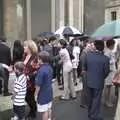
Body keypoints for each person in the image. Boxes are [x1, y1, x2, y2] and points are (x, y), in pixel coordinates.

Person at [84, 40, 110, 120]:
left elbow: (85, 67)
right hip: (99, 81)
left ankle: (90, 114)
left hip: (89, 80)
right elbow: (106, 72)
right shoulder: (105, 58)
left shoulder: (88, 55)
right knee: (96, 99)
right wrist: (102, 77)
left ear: (95, 46)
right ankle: (93, 116)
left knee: (90, 99)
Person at [24, 40, 40, 119]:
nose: (24, 47)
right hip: (25, 80)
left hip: (32, 81)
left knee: (29, 97)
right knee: (27, 97)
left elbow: (37, 70)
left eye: (25, 46)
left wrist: (29, 76)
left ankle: (33, 111)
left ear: (30, 47)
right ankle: (33, 109)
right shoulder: (25, 55)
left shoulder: (35, 57)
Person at [35, 51, 53, 120]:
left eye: (38, 59)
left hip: (43, 94)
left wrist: (36, 94)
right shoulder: (50, 68)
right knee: (49, 108)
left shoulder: (41, 70)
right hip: (49, 91)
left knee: (44, 111)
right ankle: (49, 118)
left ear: (40, 59)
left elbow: (38, 85)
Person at [104, 39, 116, 107]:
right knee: (107, 87)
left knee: (109, 87)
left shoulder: (110, 51)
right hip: (109, 72)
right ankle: (106, 101)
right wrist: (112, 61)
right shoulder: (107, 52)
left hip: (111, 72)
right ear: (111, 45)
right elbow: (106, 62)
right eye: (113, 44)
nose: (114, 46)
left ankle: (107, 101)